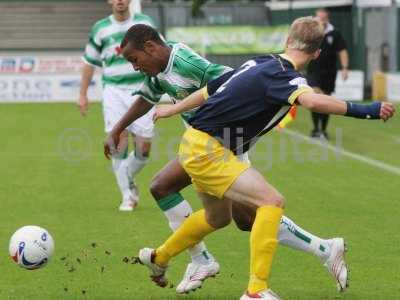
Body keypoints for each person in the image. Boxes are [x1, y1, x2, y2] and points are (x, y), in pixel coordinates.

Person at [131, 17, 394, 300]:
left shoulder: (257, 61)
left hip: (195, 143)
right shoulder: (287, 77)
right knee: (270, 201)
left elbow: (209, 90)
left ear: (287, 41)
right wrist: (367, 109)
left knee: (217, 217)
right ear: (316, 54)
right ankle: (256, 290)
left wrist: (172, 110)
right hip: (210, 150)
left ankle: (160, 258)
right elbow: (314, 102)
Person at [79, 0, 156, 211]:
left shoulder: (145, 23)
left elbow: (159, 53)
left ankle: (127, 175)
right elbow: (89, 62)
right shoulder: (100, 28)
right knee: (118, 143)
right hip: (113, 91)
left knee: (144, 148)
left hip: (142, 90)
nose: (120, 0)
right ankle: (127, 196)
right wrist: (83, 94)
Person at [307, 8, 350, 139]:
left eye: (323, 18)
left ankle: (323, 130)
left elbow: (342, 51)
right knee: (314, 95)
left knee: (326, 99)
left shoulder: (335, 33)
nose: (321, 20)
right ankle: (315, 128)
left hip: (329, 72)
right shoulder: (312, 32)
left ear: (327, 17)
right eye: (319, 17)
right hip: (313, 70)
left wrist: (345, 67)